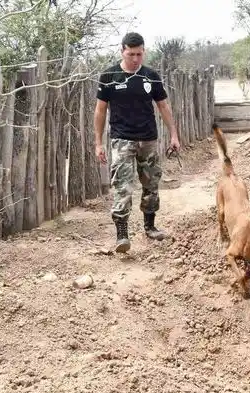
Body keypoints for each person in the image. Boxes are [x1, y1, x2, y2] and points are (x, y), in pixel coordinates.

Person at [93, 31, 180, 253]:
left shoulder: (151, 76)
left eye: (139, 54)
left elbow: (163, 106)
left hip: (148, 138)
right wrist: (98, 142)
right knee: (122, 185)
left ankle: (150, 227)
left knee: (151, 183)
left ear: (144, 52)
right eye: (131, 54)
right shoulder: (109, 76)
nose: (135, 59)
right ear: (122, 50)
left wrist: (174, 135)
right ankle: (122, 234)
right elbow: (100, 111)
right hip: (121, 139)